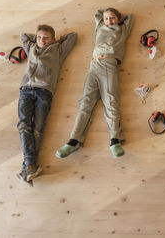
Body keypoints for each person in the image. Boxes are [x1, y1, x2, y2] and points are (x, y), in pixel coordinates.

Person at [56, 8, 134, 159]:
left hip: (110, 65)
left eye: (112, 18)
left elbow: (130, 16)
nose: (109, 21)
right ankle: (74, 140)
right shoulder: (99, 27)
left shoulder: (122, 29)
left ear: (118, 19)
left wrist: (120, 18)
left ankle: (115, 140)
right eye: (106, 19)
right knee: (85, 102)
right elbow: (98, 13)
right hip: (94, 66)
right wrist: (106, 16)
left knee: (111, 101)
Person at [16, 24, 77, 184]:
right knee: (23, 126)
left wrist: (57, 41)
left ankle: (28, 166)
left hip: (44, 92)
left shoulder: (58, 50)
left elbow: (73, 36)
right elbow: (24, 35)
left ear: (52, 39)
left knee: (37, 129)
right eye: (39, 37)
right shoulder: (31, 47)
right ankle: (29, 165)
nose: (42, 40)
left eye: (46, 37)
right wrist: (36, 38)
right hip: (26, 90)